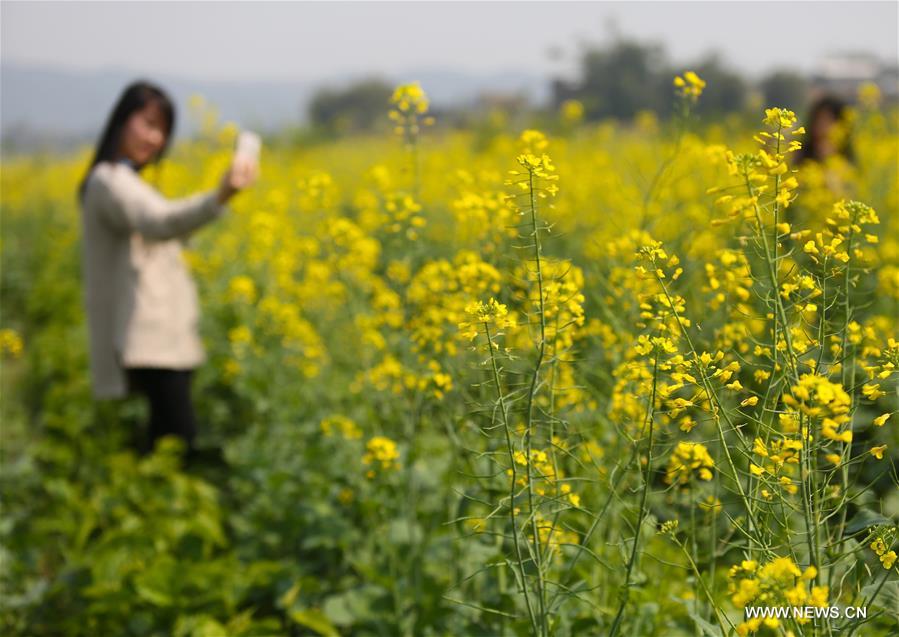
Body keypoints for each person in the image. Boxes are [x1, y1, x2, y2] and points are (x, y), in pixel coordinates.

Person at [77, 80, 257, 458]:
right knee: (174, 445)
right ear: (121, 120)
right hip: (147, 340)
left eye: (162, 130)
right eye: (147, 123)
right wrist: (221, 195)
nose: (155, 138)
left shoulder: (126, 181)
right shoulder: (110, 181)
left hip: (160, 338)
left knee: (164, 443)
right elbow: (159, 222)